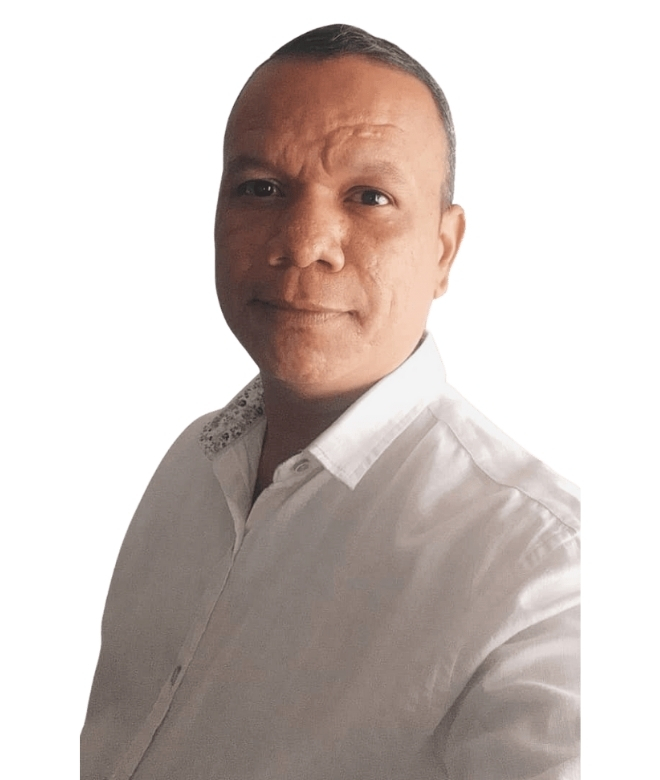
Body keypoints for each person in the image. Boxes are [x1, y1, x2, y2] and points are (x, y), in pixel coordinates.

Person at [81, 24, 580, 780]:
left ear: (444, 250)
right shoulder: (191, 464)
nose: (304, 241)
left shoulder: (545, 574)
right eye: (261, 188)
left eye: (370, 196)